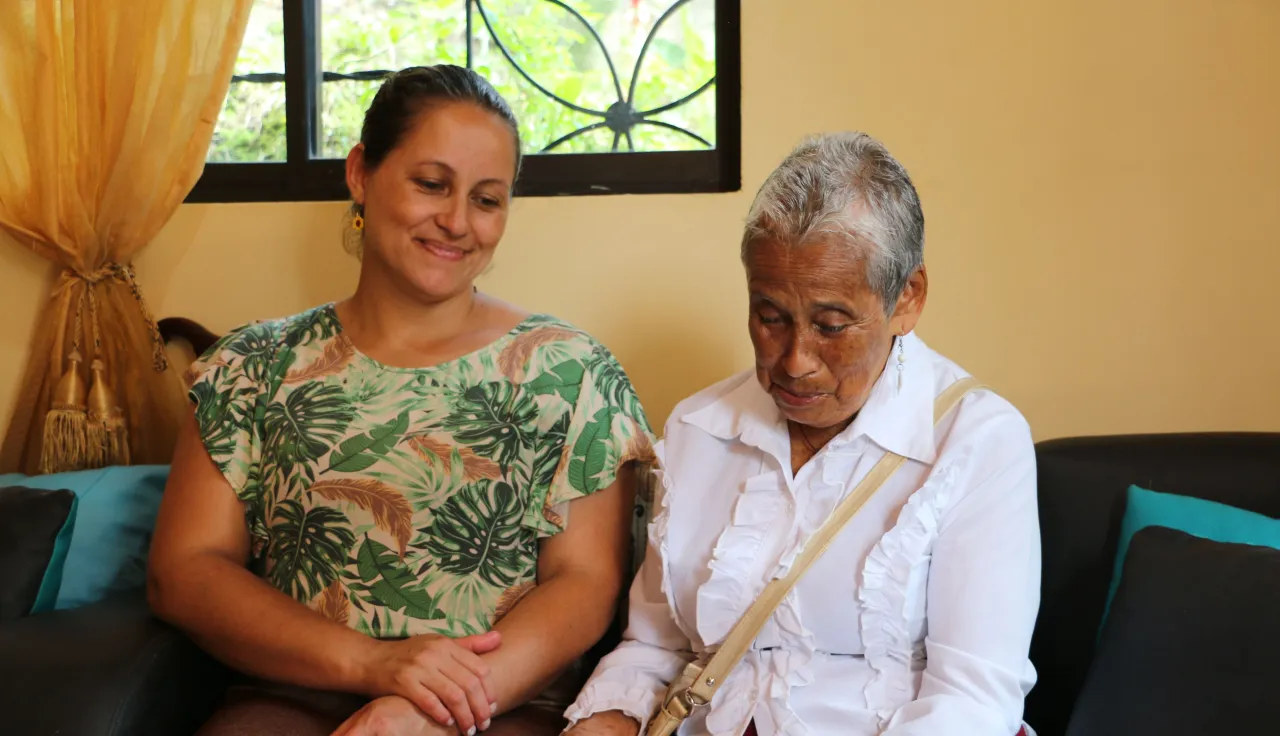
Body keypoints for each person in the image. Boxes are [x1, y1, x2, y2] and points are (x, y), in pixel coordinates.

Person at [147, 65, 654, 736]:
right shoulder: (251, 367)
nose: (456, 221)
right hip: (291, 702)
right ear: (361, 172)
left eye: (487, 199)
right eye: (431, 184)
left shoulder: (571, 372)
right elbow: (184, 573)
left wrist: (431, 705)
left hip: (500, 707)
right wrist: (375, 665)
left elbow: (585, 585)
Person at [564, 132, 1040, 736]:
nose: (795, 361)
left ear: (907, 297)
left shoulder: (977, 440)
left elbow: (972, 702)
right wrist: (603, 719)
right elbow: (657, 647)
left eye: (831, 325)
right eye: (770, 317)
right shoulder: (697, 428)